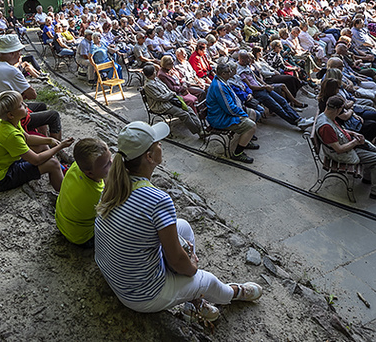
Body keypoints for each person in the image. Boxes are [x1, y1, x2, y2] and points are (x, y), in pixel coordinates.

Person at [94, 121, 262, 322]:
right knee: (205, 279)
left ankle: (192, 302)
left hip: (114, 273)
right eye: (157, 142)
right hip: (139, 295)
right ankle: (233, 293)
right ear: (149, 156)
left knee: (183, 226)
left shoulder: (114, 184)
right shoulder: (158, 200)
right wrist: (191, 267)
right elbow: (177, 261)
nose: (161, 145)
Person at [0, 90, 74, 192]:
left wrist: (50, 140)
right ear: (11, 115)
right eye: (21, 105)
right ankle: (65, 194)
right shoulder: (11, 135)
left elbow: (28, 138)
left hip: (3, 166)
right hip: (0, 179)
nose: (25, 105)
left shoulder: (9, 122)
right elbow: (36, 160)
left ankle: (57, 175)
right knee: (53, 163)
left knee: (42, 146)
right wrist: (59, 147)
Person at [315, 95, 376, 201]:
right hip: (340, 154)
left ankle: (367, 178)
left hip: (346, 144)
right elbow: (338, 149)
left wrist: (353, 133)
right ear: (338, 109)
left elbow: (338, 130)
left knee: (371, 148)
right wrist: (356, 142)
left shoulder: (325, 116)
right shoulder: (326, 127)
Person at [0, 34, 61, 138]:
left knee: (42, 106)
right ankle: (57, 147)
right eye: (19, 51)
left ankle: (43, 136)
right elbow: (33, 95)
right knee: (54, 116)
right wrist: (23, 94)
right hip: (7, 115)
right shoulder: (11, 70)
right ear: (13, 53)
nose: (21, 55)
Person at [55, 138, 112, 247]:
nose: (112, 164)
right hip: (80, 237)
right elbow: (110, 216)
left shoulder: (77, 166)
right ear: (90, 173)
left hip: (61, 222)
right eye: (106, 165)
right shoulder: (95, 195)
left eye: (110, 158)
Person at [205, 60, 258, 163]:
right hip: (219, 118)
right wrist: (243, 114)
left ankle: (245, 141)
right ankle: (238, 154)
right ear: (223, 74)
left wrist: (243, 112)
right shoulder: (219, 86)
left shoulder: (222, 81)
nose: (231, 73)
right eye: (229, 71)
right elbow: (229, 108)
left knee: (253, 113)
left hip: (225, 113)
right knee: (251, 126)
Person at [142, 64, 202, 135]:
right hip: (161, 105)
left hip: (170, 100)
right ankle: (198, 132)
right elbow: (160, 97)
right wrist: (172, 94)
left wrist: (172, 94)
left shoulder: (156, 79)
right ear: (153, 73)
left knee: (189, 109)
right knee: (184, 114)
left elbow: (167, 88)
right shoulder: (148, 85)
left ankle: (200, 127)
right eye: (154, 71)